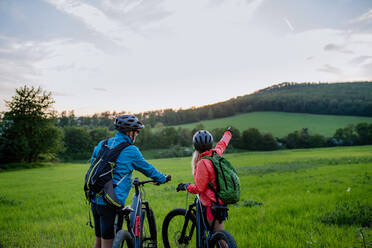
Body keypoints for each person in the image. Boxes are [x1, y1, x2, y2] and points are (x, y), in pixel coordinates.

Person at [90, 115, 170, 248]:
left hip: (94, 198)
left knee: (98, 240)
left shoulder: (102, 144)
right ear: (129, 132)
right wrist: (162, 178)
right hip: (110, 201)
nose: (137, 134)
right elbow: (148, 169)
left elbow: (93, 164)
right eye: (137, 131)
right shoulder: (130, 150)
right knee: (108, 243)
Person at [177, 128, 232, 232]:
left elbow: (199, 188)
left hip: (211, 205)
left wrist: (186, 186)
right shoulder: (215, 154)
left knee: (219, 239)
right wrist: (228, 133)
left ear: (195, 147)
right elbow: (222, 144)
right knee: (216, 236)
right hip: (219, 201)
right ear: (211, 144)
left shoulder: (202, 163)